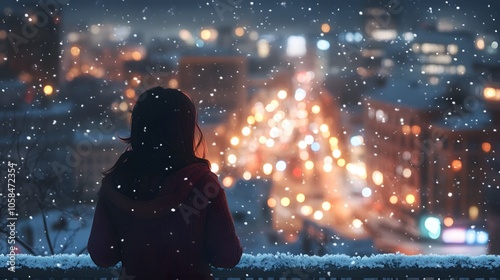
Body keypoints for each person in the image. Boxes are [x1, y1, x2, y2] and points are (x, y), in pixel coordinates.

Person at [87, 87, 243, 279]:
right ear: (185, 131)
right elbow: (227, 257)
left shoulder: (116, 184)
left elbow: (102, 255)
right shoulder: (202, 184)